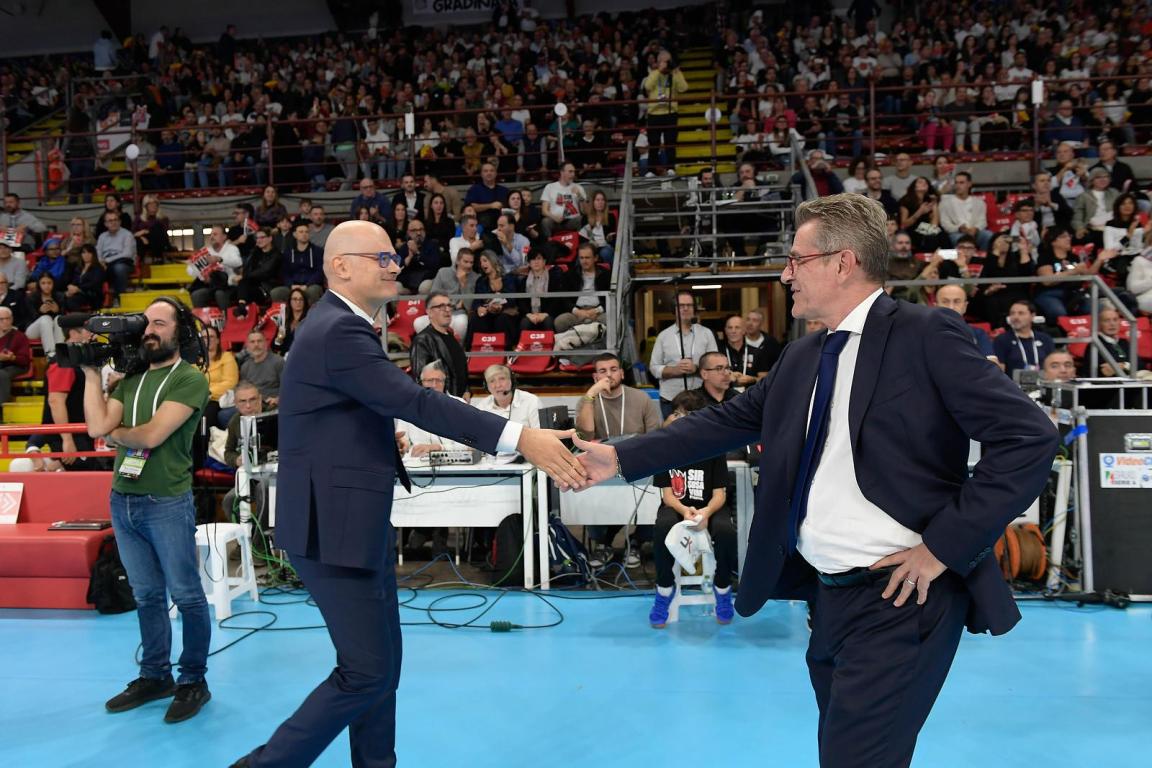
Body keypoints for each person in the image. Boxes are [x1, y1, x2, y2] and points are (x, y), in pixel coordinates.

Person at [573, 193, 1059, 768]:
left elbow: (1029, 437)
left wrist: (941, 549)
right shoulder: (802, 357)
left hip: (902, 595)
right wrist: (621, 458)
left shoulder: (926, 334)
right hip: (827, 599)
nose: (785, 274)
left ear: (842, 262)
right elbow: (724, 422)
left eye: (796, 260)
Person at [230, 220, 585, 768]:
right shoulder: (338, 331)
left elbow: (357, 411)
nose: (396, 266)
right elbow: (414, 401)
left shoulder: (340, 327)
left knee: (379, 669)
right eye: (385, 257)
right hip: (333, 529)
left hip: (350, 521)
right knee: (368, 672)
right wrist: (519, 436)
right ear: (341, 265)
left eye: (396, 257)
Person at [82, 298, 212, 724]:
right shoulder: (131, 380)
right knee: (147, 595)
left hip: (166, 502)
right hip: (123, 500)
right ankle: (155, 675)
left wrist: (114, 434)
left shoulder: (189, 379)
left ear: (180, 331)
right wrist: (88, 374)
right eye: (147, 323)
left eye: (160, 322)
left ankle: (193, 680)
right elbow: (93, 427)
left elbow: (152, 435)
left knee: (187, 595)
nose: (151, 330)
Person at [649, 389, 738, 627]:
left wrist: (706, 513)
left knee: (726, 531)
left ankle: (722, 587)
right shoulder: (665, 447)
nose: (680, 420)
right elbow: (667, 495)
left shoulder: (714, 448)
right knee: (662, 526)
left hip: (710, 506)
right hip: (677, 506)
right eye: (677, 413)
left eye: (687, 415)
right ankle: (665, 588)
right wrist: (685, 511)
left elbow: (720, 494)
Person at [649, 289, 717, 418]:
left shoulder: (706, 334)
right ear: (674, 309)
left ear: (694, 308)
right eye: (681, 305)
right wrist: (675, 370)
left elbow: (715, 364)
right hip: (670, 399)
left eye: (689, 305)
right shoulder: (663, 336)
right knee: (673, 437)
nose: (685, 309)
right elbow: (654, 367)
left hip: (701, 398)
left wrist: (696, 368)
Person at [409, 291, 469, 398]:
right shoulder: (422, 340)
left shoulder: (451, 336)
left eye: (449, 306)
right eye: (441, 306)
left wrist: (466, 390)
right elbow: (421, 379)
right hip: (440, 402)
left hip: (457, 402)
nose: (447, 310)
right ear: (429, 312)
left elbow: (460, 368)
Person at [642, 50, 688, 176]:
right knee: (653, 144)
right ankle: (651, 170)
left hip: (670, 112)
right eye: (664, 61)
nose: (666, 64)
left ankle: (671, 168)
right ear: (658, 62)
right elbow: (647, 86)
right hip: (654, 113)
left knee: (670, 143)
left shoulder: (674, 74)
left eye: (668, 61)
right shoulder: (653, 73)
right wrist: (658, 71)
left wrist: (676, 72)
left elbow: (683, 88)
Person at [935, 283, 999, 366]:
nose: (951, 307)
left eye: (957, 302)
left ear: (965, 306)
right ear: (935, 306)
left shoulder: (978, 334)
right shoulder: (922, 334)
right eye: (945, 302)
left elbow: (993, 367)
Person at [993, 300, 1055, 378]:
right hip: (1014, 387)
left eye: (1021, 313)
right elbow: (999, 371)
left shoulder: (1045, 339)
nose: (1015, 317)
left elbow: (1053, 365)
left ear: (1032, 316)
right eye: (1012, 313)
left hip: (1043, 384)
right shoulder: (1002, 340)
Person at [275, 221, 325, 304]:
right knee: (276, 293)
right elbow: (284, 272)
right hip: (293, 285)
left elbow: (320, 272)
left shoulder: (318, 251)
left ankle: (313, 316)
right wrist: (291, 285)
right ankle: (285, 316)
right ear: (295, 234)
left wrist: (307, 285)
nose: (304, 234)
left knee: (313, 291)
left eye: (306, 232)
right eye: (301, 232)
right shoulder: (288, 252)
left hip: (311, 285)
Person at [96, 209, 138, 307]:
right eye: (110, 221)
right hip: (105, 265)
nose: (113, 222)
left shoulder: (127, 234)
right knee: (95, 270)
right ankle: (99, 303)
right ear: (105, 224)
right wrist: (100, 262)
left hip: (124, 263)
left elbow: (127, 254)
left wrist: (106, 261)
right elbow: (98, 253)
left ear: (120, 221)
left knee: (119, 268)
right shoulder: (102, 237)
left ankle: (120, 299)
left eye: (115, 219)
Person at [718, 315, 767, 391]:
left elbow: (765, 380)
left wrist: (752, 379)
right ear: (725, 330)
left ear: (744, 330)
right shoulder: (717, 352)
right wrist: (728, 377)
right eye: (730, 328)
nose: (733, 331)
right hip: (724, 397)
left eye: (737, 327)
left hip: (751, 397)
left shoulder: (757, 352)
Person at [239, 330, 284, 411]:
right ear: (247, 346)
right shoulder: (245, 367)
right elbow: (244, 390)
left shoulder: (278, 362)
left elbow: (288, 387)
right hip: (251, 404)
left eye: (259, 341)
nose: (256, 345)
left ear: (265, 343)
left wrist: (279, 399)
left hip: (272, 403)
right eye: (252, 342)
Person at [539, 162, 587, 238]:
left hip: (572, 220)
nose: (573, 174)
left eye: (574, 172)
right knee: (545, 222)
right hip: (554, 221)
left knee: (583, 219)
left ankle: (581, 244)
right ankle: (548, 245)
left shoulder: (579, 187)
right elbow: (544, 211)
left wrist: (580, 196)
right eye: (570, 171)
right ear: (562, 172)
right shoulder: (550, 187)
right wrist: (555, 217)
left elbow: (585, 211)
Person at [0, 306, 31, 403]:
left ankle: (2, 406)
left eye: (7, 318)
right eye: (1, 319)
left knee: (1, 374)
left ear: (12, 319)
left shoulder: (20, 336)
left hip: (16, 365)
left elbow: (25, 360)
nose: (5, 321)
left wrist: (12, 357)